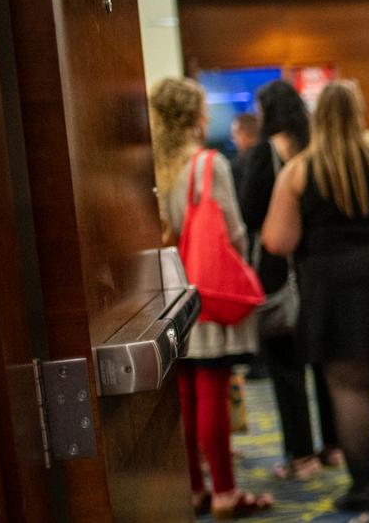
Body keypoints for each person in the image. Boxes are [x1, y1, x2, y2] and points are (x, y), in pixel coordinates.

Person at [262, 80, 369, 512]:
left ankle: (363, 487)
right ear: (359, 114)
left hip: (331, 288)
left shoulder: (299, 170)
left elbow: (278, 241)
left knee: (349, 386)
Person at [148, 78, 272, 519]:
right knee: (212, 390)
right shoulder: (206, 165)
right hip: (206, 293)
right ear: (195, 117)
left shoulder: (152, 167)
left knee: (183, 392)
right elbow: (233, 232)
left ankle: (195, 489)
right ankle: (224, 491)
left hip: (165, 293)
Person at [236, 80, 342, 480]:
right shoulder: (320, 148)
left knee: (286, 369)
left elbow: (249, 213)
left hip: (279, 275)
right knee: (328, 366)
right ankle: (335, 446)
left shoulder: (266, 154)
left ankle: (301, 456)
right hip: (320, 270)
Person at [230, 112, 260, 188]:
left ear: (244, 133)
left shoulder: (238, 166)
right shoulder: (272, 157)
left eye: (234, 135)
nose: (233, 140)